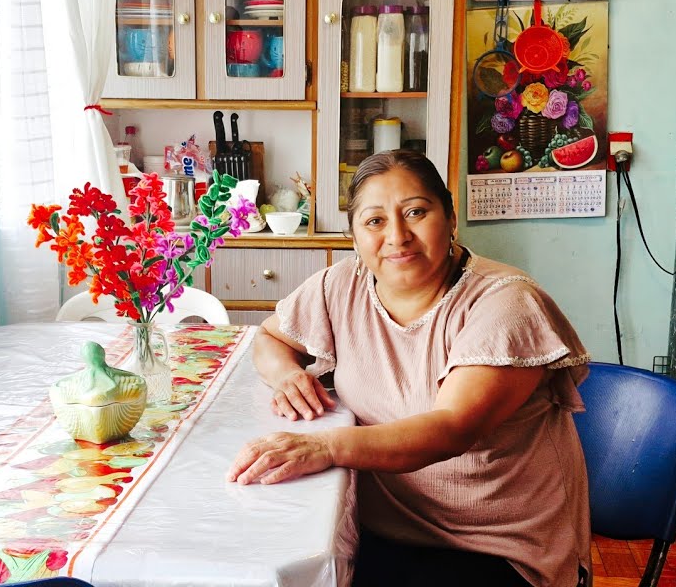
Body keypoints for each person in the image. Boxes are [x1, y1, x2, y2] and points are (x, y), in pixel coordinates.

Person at [226, 150, 591, 587]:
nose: (397, 236)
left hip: (494, 549)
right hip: (376, 530)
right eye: (374, 221)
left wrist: (324, 448)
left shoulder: (503, 302)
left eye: (416, 212)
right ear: (355, 237)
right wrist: (287, 374)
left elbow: (452, 427)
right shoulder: (341, 284)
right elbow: (268, 338)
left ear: (451, 218)